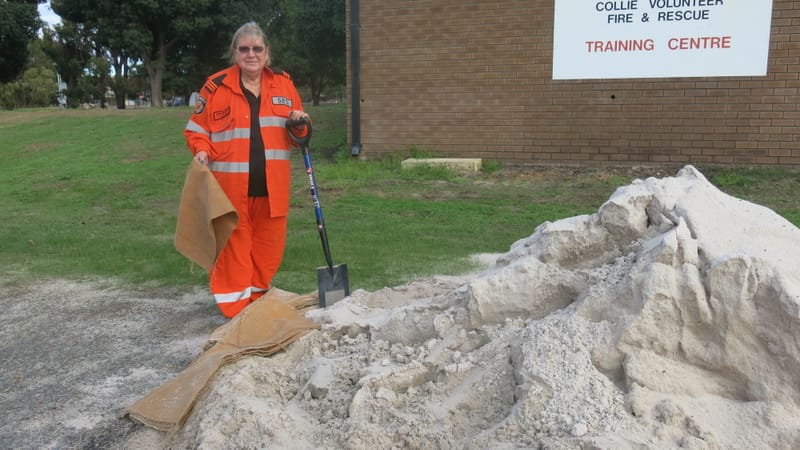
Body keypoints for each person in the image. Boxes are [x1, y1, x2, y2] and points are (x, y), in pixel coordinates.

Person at [184, 21, 310, 318]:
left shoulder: (284, 84)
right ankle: (235, 309)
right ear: (234, 52)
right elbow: (196, 129)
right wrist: (201, 149)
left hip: (272, 189)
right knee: (234, 250)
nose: (251, 54)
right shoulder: (215, 86)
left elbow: (299, 137)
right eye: (244, 49)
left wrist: (302, 124)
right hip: (230, 188)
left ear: (267, 53)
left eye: (257, 48)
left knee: (268, 250)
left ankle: (257, 303)